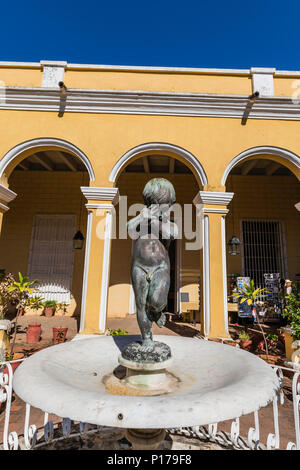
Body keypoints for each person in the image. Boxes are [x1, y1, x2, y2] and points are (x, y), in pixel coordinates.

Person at [127, 178, 178, 352]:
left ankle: (157, 311)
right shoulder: (141, 222)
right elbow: (129, 229)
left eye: (168, 205)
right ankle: (147, 338)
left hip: (161, 267)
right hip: (139, 267)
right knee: (141, 304)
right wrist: (142, 217)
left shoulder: (170, 224)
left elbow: (170, 234)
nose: (168, 208)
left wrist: (154, 220)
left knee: (156, 301)